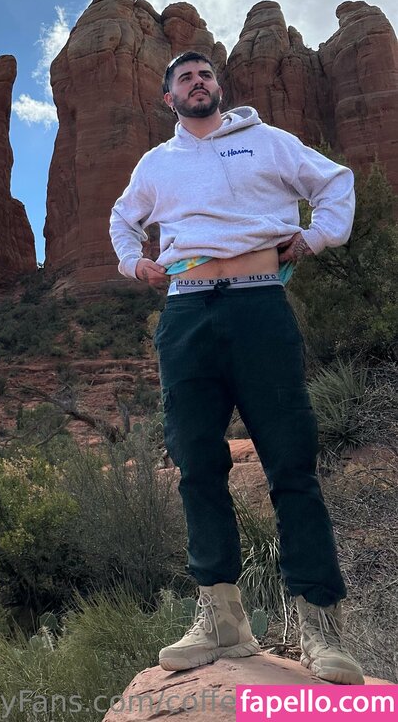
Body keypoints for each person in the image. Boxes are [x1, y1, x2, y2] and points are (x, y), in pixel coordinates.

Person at [109, 51, 364, 684]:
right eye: (184, 78)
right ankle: (223, 622)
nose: (198, 83)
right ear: (169, 98)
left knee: (290, 462)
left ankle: (320, 626)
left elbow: (336, 182)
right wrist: (132, 262)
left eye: (205, 75)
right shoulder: (156, 163)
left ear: (217, 86)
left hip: (259, 304)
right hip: (185, 312)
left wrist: (316, 236)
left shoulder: (267, 141)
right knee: (197, 465)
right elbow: (122, 217)